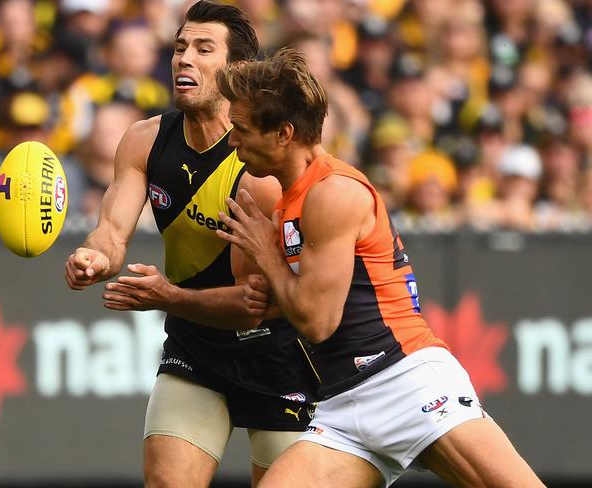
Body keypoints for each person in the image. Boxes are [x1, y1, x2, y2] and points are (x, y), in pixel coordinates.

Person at [215, 48, 545, 488]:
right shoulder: (287, 200)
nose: (232, 141)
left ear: (283, 133)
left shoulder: (333, 193)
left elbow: (316, 320)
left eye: (240, 129)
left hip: (405, 381)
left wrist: (267, 255)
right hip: (341, 404)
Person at [63, 2, 317, 487]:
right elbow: (112, 233)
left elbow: (251, 304)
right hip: (194, 346)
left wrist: (167, 298)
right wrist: (94, 257)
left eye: (203, 49)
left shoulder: (258, 168)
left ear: (236, 70)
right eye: (180, 47)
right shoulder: (143, 141)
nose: (184, 59)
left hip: (275, 351)